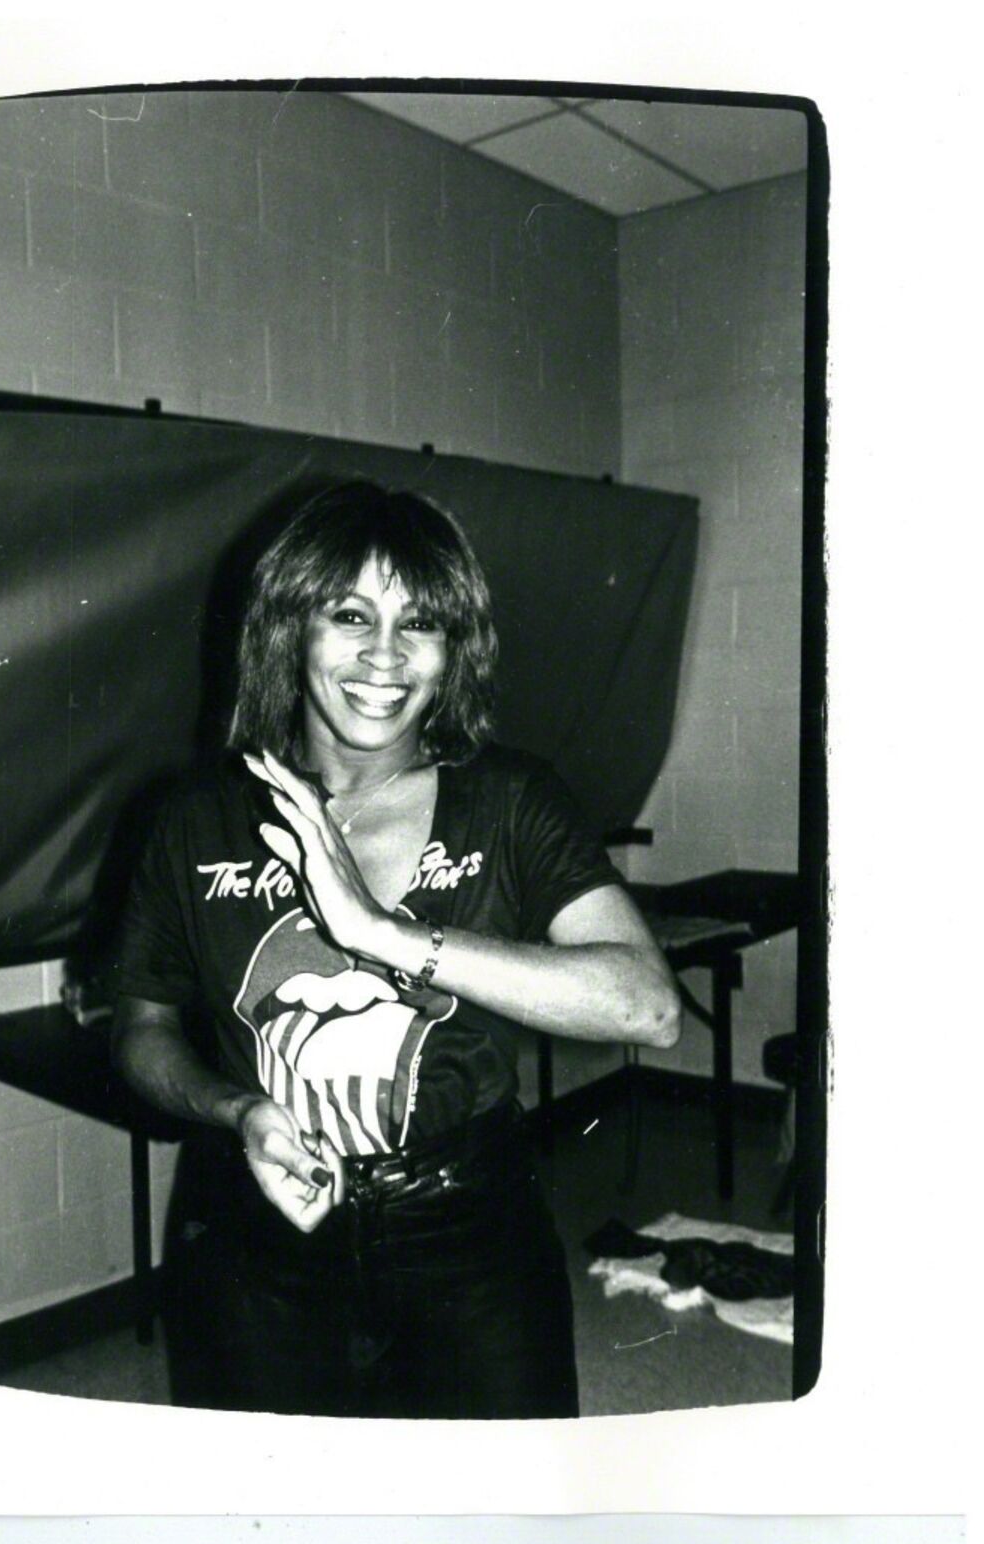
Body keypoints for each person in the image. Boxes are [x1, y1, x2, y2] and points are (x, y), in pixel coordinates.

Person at [112, 479, 681, 1419]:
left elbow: (648, 1008)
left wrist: (376, 932)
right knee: (279, 1537)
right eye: (348, 615)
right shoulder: (190, 820)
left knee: (501, 1534)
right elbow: (142, 1029)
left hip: (472, 1236)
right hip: (256, 1228)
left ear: (452, 652)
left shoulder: (508, 800)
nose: (384, 657)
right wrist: (237, 1107)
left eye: (419, 624)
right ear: (290, 630)